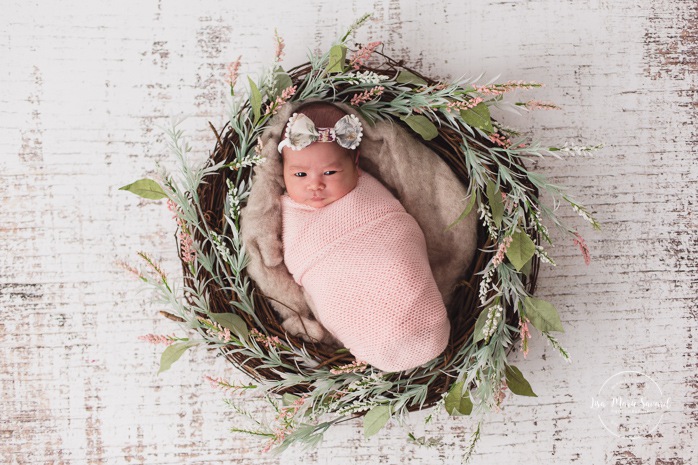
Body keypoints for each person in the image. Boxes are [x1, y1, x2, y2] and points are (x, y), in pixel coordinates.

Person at [278, 102, 450, 372]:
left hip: (382, 245)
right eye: (300, 174)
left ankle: (421, 320)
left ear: (355, 164)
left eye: (330, 172)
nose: (315, 184)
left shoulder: (368, 190)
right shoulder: (289, 212)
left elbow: (397, 232)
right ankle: (369, 337)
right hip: (332, 273)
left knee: (399, 267)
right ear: (283, 172)